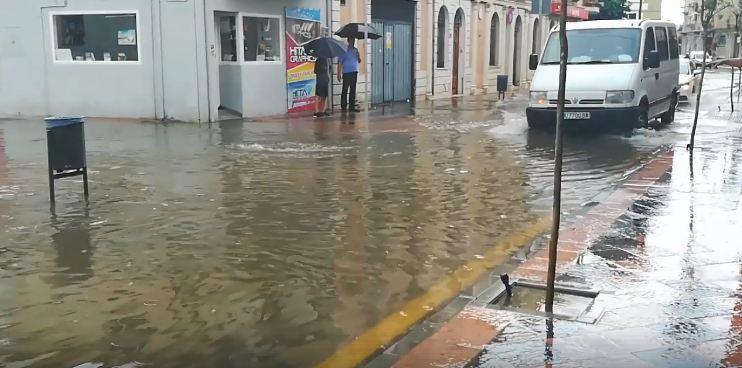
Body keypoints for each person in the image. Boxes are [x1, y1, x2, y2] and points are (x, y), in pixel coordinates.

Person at [337, 38, 362, 113]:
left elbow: (359, 61)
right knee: (345, 89)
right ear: (348, 41)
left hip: (354, 72)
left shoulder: (356, 50)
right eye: (351, 41)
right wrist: (339, 73)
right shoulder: (344, 50)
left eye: (354, 41)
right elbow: (340, 62)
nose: (353, 42)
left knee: (353, 90)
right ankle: (343, 107)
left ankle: (351, 107)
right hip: (346, 73)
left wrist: (358, 56)